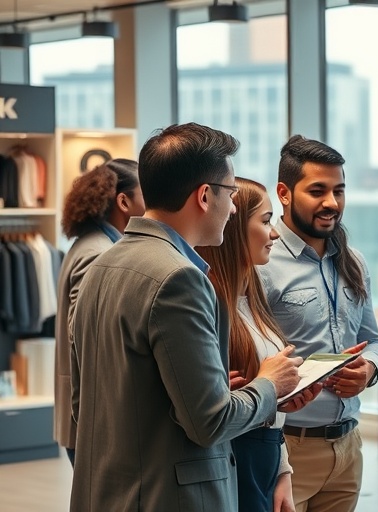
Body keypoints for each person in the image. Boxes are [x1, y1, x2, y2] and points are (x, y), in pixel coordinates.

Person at [69, 123, 304, 512]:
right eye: (230, 195)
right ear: (205, 195)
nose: (232, 208)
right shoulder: (180, 279)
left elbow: (92, 402)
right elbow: (209, 423)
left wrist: (212, 390)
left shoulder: (102, 264)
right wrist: (268, 384)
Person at [258, 135, 378, 512]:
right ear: (284, 192)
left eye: (339, 191)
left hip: (347, 448)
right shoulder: (262, 262)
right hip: (286, 446)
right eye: (318, 191)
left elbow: (374, 340)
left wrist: (369, 371)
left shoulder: (353, 261)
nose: (332, 203)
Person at [196, 177, 323, 512]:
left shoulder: (251, 297)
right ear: (235, 227)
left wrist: (282, 469)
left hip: (265, 453)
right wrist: (267, 390)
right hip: (236, 458)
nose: (276, 233)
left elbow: (256, 397)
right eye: (266, 221)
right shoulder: (208, 306)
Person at [55, 158, 145, 466]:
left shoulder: (90, 244)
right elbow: (82, 336)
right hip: (94, 420)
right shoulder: (100, 253)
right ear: (124, 201)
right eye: (145, 193)